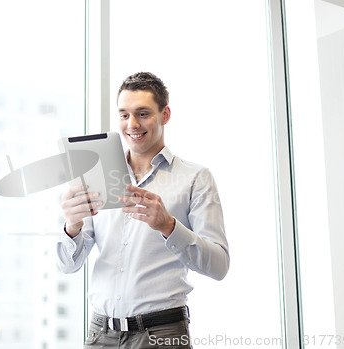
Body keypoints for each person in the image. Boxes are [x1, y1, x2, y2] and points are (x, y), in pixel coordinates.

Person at [57, 72, 229, 348]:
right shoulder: (95, 175)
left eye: (143, 113)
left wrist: (169, 226)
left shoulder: (196, 178)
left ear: (165, 114)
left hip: (161, 334)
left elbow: (219, 266)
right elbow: (68, 264)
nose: (132, 124)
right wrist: (72, 226)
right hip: (100, 334)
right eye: (124, 115)